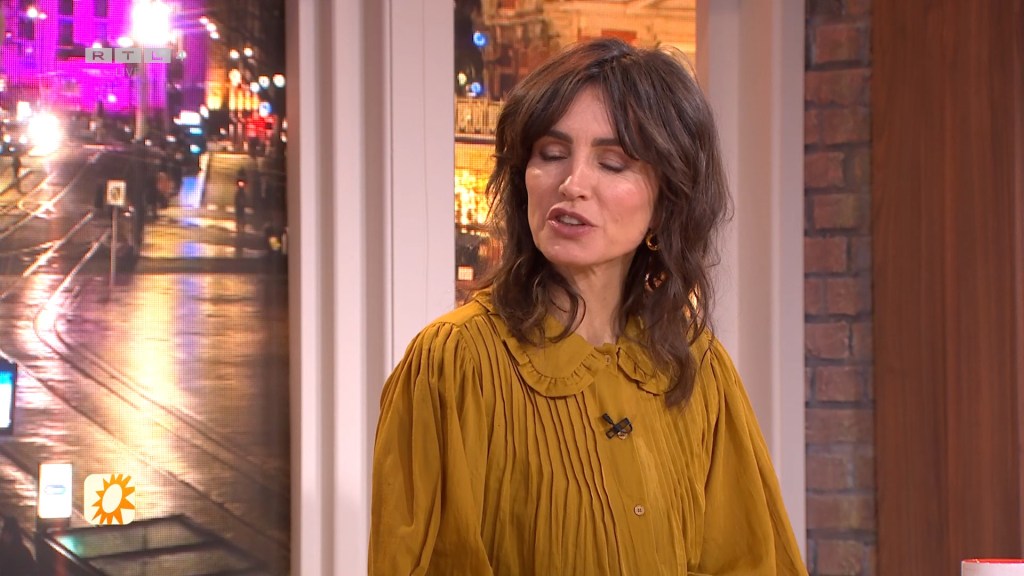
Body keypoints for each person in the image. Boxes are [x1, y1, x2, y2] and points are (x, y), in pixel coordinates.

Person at [369, 37, 808, 575]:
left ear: (666, 200)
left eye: (613, 163)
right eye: (551, 155)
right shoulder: (455, 364)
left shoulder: (697, 367)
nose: (572, 184)